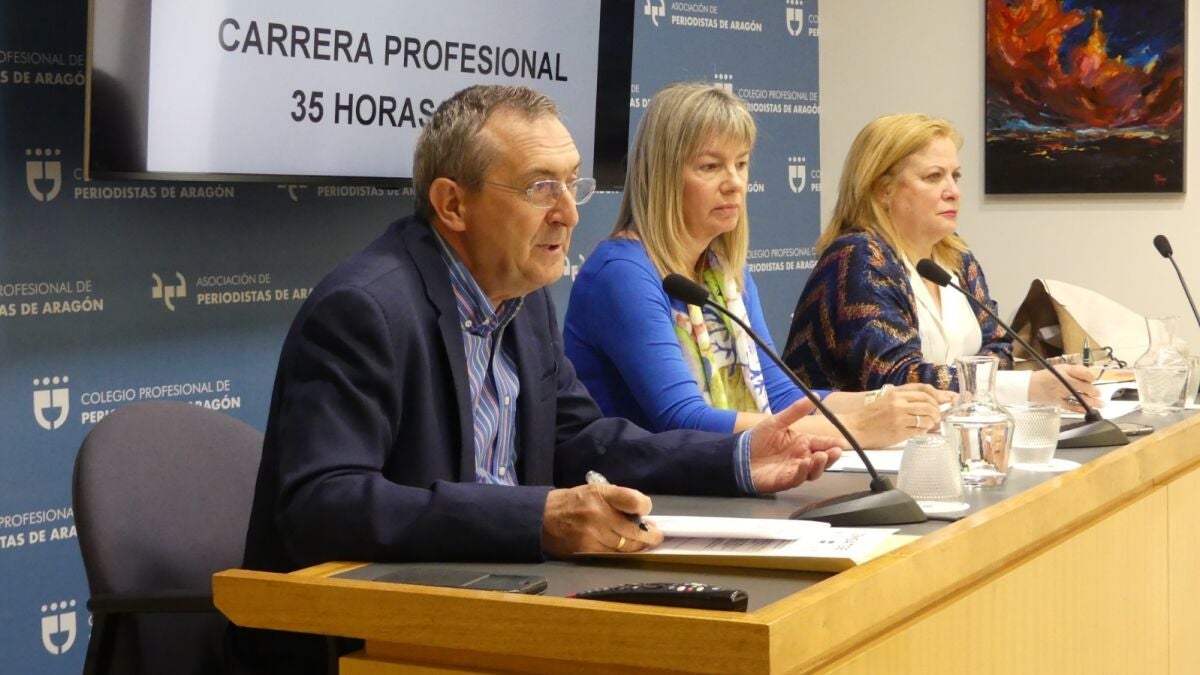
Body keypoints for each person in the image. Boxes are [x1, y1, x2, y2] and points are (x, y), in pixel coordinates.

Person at [231, 85, 844, 673]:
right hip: (367, 636)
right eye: (539, 188)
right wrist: (536, 519)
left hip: (500, 605)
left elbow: (582, 441)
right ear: (452, 204)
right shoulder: (367, 309)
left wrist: (737, 457)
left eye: (572, 183)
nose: (569, 213)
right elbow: (322, 504)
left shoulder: (523, 301)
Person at [564, 83, 952, 448]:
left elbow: (780, 395)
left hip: (715, 478)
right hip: (638, 486)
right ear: (662, 176)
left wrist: (890, 401)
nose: (734, 183)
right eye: (710, 167)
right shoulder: (624, 271)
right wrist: (859, 428)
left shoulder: (725, 272)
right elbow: (684, 419)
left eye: (741, 164)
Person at [781, 113, 1100, 407]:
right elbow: (899, 380)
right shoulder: (857, 258)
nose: (953, 192)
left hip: (943, 434)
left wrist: (982, 383)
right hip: (843, 445)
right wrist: (1024, 388)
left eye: (955, 176)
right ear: (883, 190)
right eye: (934, 177)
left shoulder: (955, 256)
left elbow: (1001, 347)